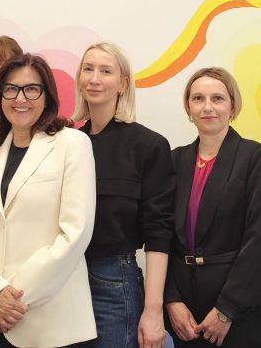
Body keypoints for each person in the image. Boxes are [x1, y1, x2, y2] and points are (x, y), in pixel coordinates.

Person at [0, 53, 97, 347]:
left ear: (47, 96)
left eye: (32, 89)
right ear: (0, 96)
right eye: (11, 89)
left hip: (49, 323)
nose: (20, 98)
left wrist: (11, 300)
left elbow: (75, 232)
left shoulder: (72, 144)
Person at [165, 67, 261, 347]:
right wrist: (171, 300)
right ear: (188, 108)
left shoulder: (254, 157)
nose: (207, 107)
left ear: (233, 107)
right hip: (186, 315)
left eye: (217, 98)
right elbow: (161, 236)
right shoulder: (174, 161)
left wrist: (226, 310)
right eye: (198, 99)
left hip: (241, 313)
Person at [73, 42, 174, 348]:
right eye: (88, 69)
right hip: (64, 280)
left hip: (114, 282)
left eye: (106, 71)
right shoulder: (67, 143)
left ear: (123, 83)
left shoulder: (148, 145)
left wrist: (153, 310)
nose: (94, 78)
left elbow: (159, 231)